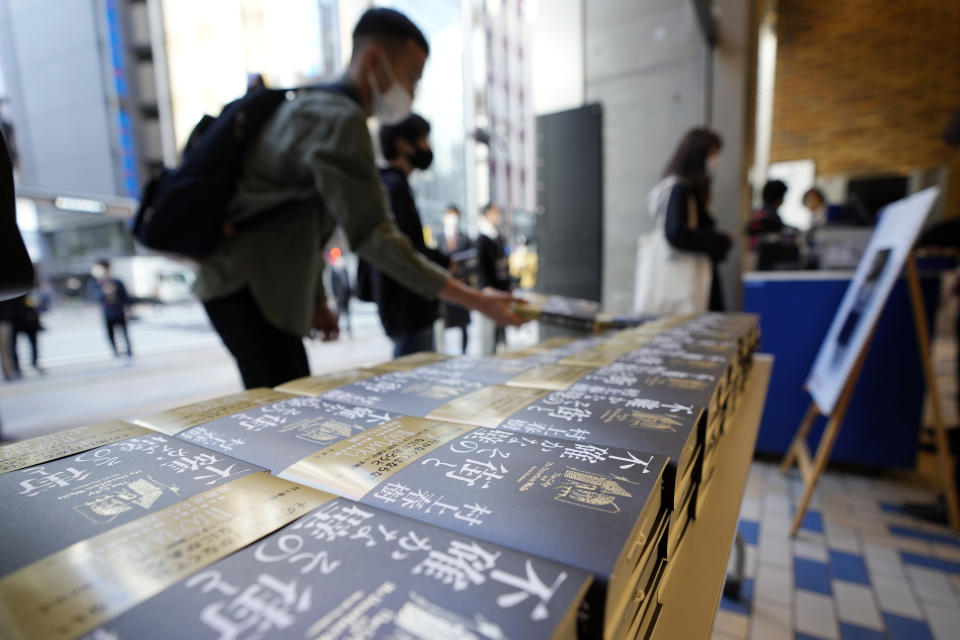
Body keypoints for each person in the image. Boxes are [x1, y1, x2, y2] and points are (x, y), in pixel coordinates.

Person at [194, 8, 523, 389]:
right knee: (281, 408)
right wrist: (478, 300)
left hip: (249, 285)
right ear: (373, 60)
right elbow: (373, 237)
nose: (413, 92)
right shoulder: (338, 119)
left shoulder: (313, 106)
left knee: (285, 400)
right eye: (412, 77)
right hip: (246, 285)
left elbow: (300, 225)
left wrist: (316, 299)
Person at [357, 113, 449, 356]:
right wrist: (445, 262)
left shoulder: (389, 184)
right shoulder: (394, 187)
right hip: (409, 307)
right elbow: (407, 250)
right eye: (423, 140)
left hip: (404, 307)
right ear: (403, 144)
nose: (427, 148)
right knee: (415, 379)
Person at [644, 128, 732, 311]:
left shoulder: (677, 187)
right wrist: (720, 240)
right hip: (690, 276)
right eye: (713, 153)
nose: (715, 160)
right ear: (698, 154)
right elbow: (676, 232)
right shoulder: (681, 188)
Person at [438, 205, 473, 354]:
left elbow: (471, 262)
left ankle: (463, 352)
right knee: (444, 322)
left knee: (463, 324)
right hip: (444, 285)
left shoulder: (465, 238)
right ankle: (443, 353)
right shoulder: (438, 238)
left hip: (461, 284)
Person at [476, 202, 511, 353]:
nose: (498, 216)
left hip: (500, 289)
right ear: (487, 214)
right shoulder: (482, 239)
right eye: (495, 213)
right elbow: (482, 268)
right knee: (489, 333)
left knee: (499, 331)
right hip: (489, 292)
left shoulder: (498, 237)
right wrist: (486, 288)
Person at [90, 259, 133, 358]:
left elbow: (125, 297)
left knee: (124, 332)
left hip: (119, 311)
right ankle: (115, 352)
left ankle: (129, 350)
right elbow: (94, 296)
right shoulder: (96, 283)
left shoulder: (117, 281)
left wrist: (129, 309)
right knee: (110, 334)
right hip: (107, 312)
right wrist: (105, 292)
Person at [11, 291, 44, 374]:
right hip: (16, 320)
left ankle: (34, 362)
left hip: (28, 321)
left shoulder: (27, 292)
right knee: (13, 346)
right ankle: (17, 366)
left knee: (33, 343)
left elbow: (34, 304)